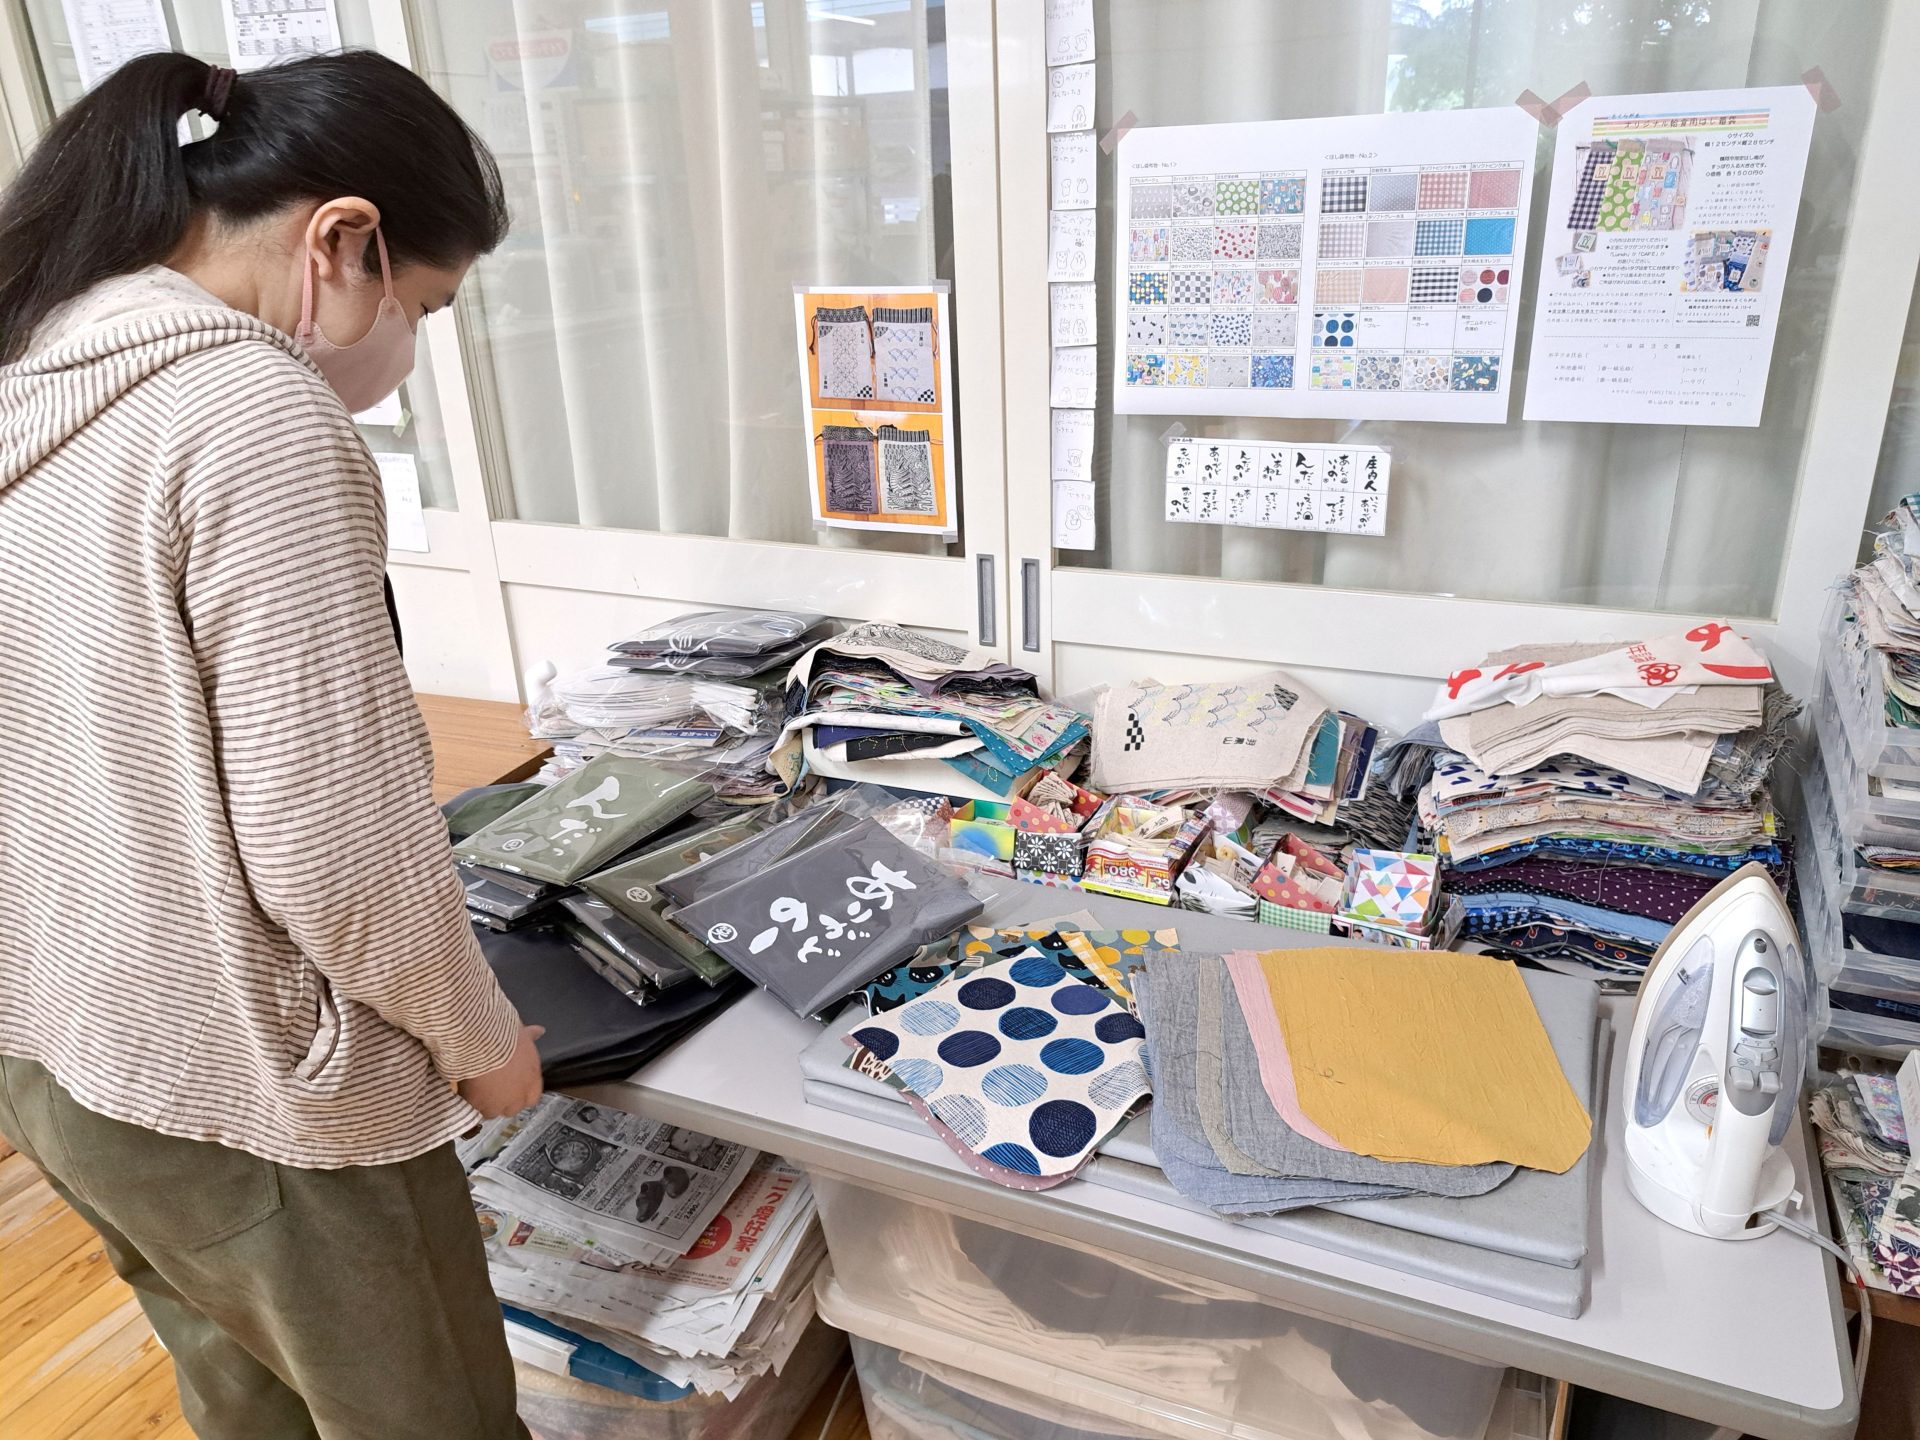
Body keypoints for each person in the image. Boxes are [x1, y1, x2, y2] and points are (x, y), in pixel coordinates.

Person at [0, 50, 545, 1440]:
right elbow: (333, 846)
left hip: (64, 1060)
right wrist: (485, 1045)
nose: (407, 347)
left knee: (247, 1408)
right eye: (423, 306)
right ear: (342, 239)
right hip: (259, 1089)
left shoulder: (32, 382)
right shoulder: (253, 416)